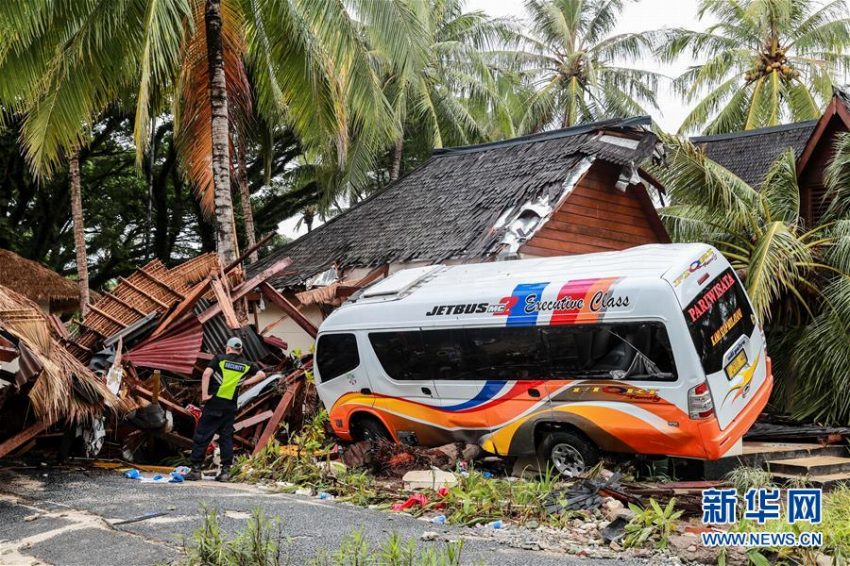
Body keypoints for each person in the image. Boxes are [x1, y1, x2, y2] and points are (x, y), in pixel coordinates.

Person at [185, 337, 267, 481]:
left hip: (214, 402)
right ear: (240, 350)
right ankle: (225, 472)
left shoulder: (220, 359)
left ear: (228, 348)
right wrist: (244, 382)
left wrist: (205, 394)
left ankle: (196, 470)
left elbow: (206, 374)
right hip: (230, 406)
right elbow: (262, 374)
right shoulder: (246, 364)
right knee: (226, 438)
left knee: (202, 435)